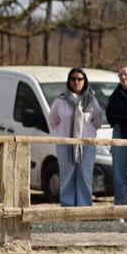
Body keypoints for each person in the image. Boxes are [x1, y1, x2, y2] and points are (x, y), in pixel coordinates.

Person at [47, 67, 103, 207]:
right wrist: (64, 134)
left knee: (85, 176)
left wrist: (87, 134)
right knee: (67, 177)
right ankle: (68, 207)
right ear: (69, 81)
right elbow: (53, 120)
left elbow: (97, 121)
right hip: (65, 144)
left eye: (80, 79)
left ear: (85, 81)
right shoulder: (60, 100)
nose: (76, 82)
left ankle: (84, 208)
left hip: (86, 145)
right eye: (73, 79)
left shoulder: (91, 100)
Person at [106, 65, 127, 207]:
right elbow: (110, 116)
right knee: (119, 172)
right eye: (120, 75)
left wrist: (123, 117)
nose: (123, 78)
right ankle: (120, 206)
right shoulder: (115, 95)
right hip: (119, 133)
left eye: (125, 74)